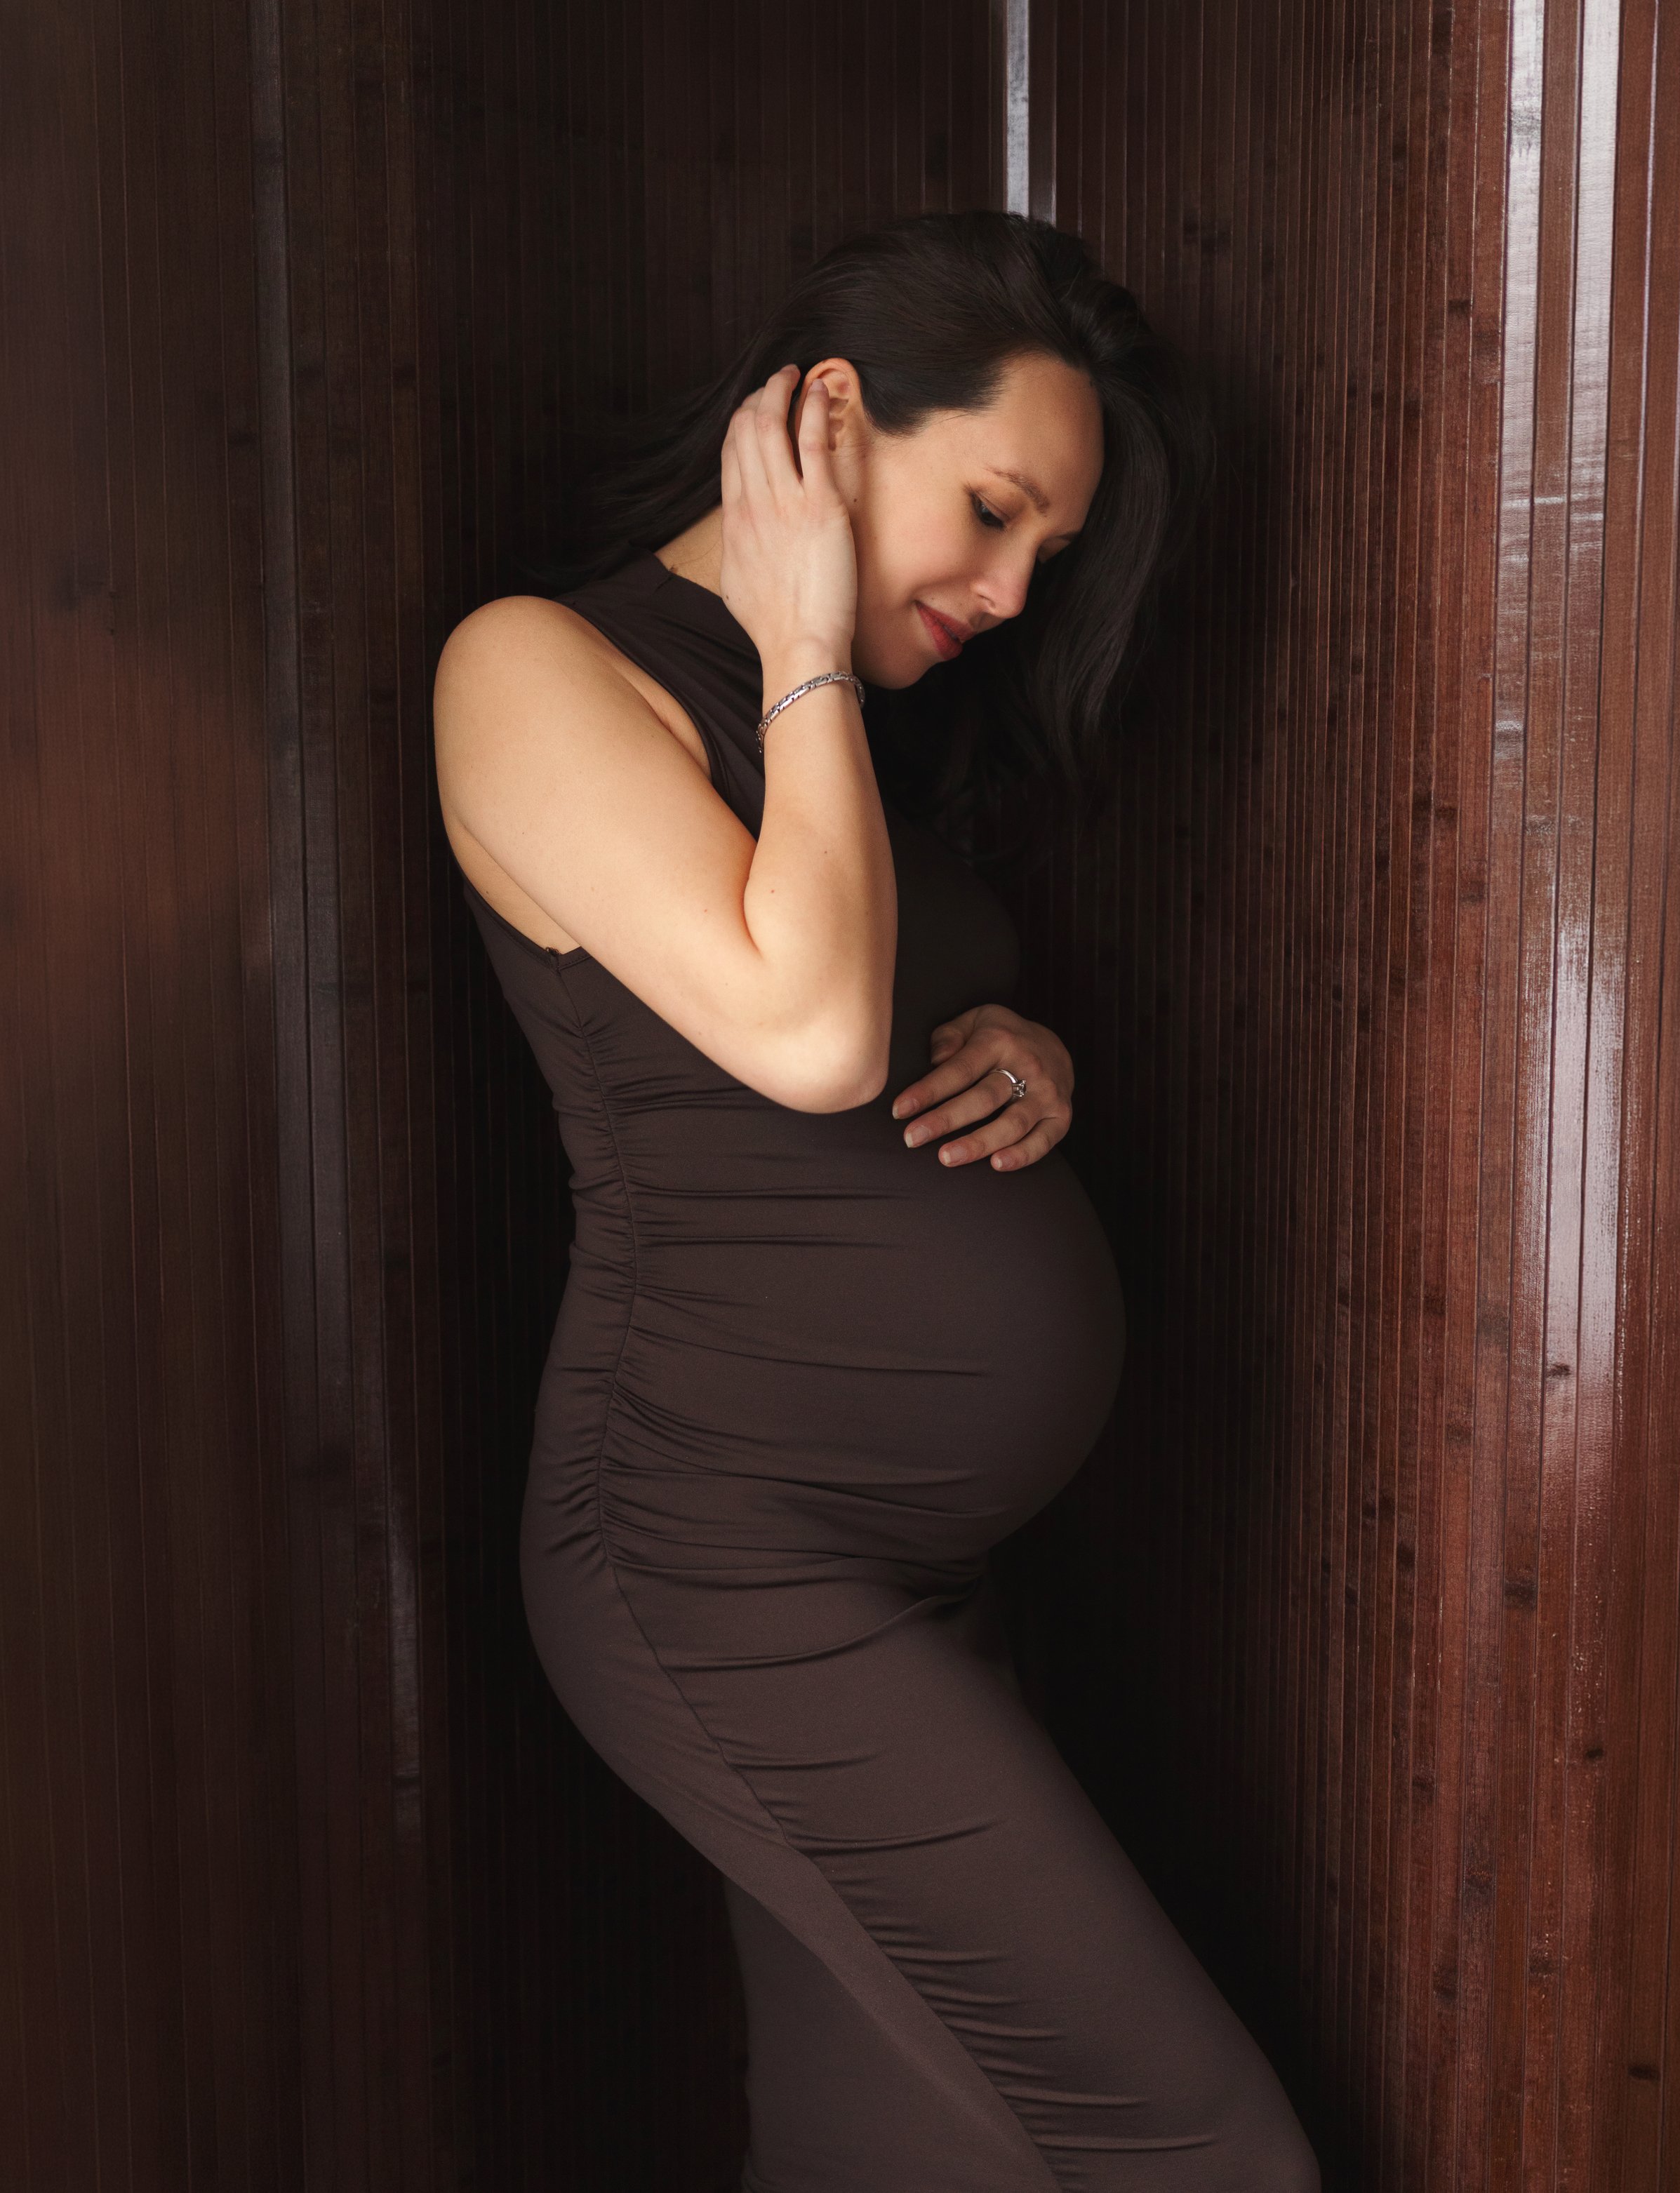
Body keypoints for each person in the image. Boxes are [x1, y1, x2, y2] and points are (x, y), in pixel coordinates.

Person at [432, 209, 1319, 2192]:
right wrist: (808, 640)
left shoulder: (854, 745)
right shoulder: (540, 666)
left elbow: (860, 1007)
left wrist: (1024, 1040)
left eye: (1049, 557)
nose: (1011, 591)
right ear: (826, 422)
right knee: (1195, 2149)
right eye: (994, 511)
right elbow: (810, 1035)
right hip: (718, 1566)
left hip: (890, 1572)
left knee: (902, 2159)